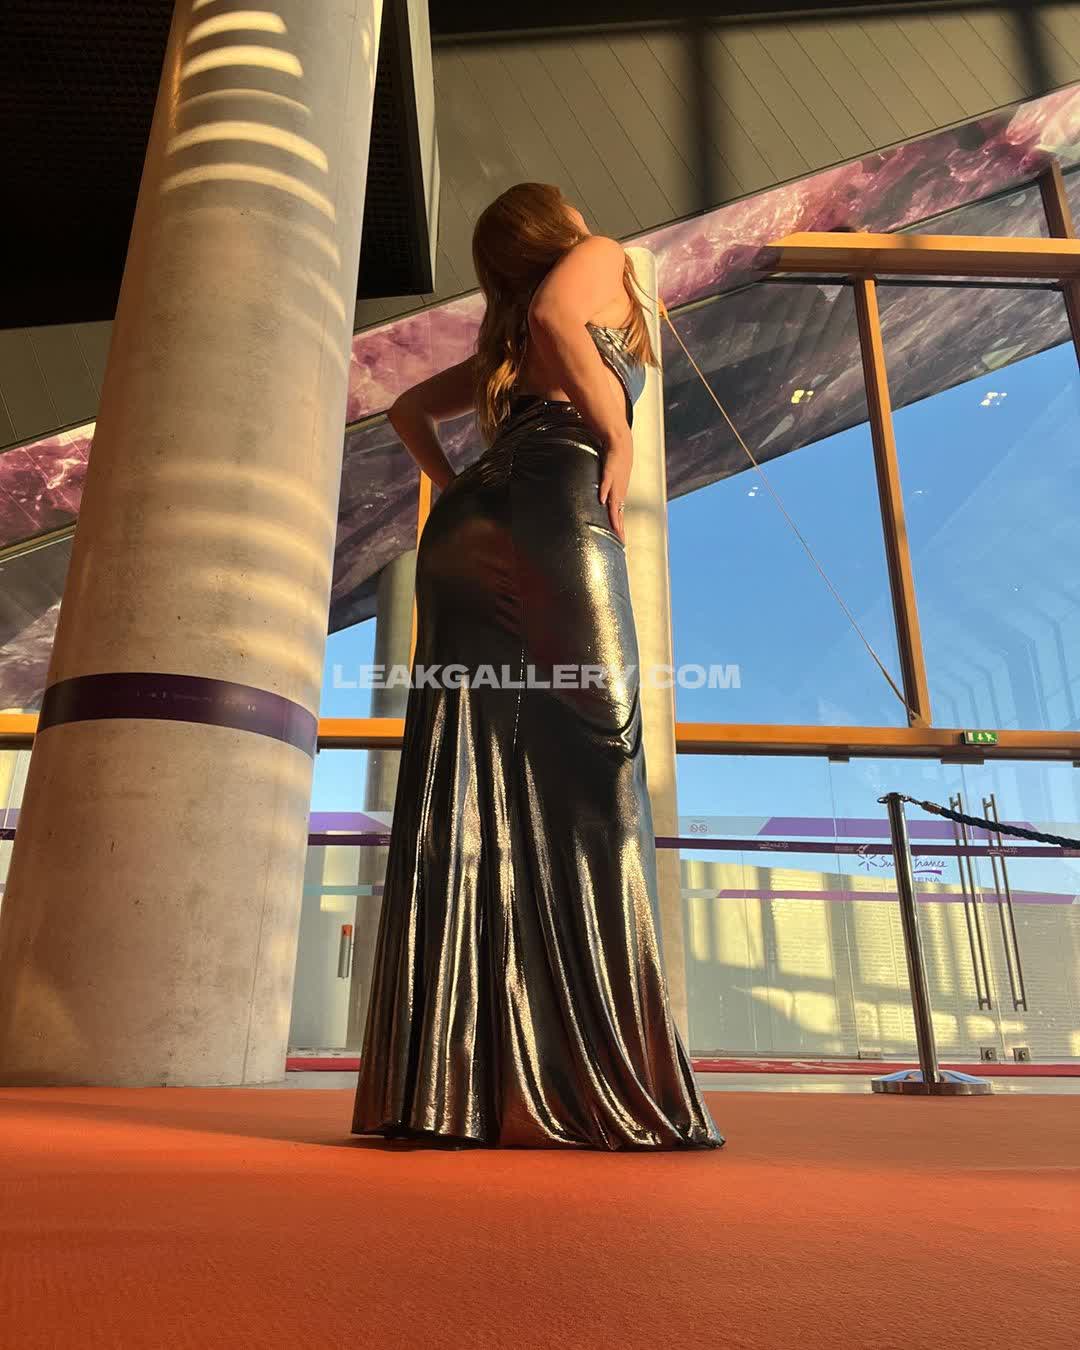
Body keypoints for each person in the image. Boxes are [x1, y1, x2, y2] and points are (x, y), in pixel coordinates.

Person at [350, 182, 724, 1151]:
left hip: (469, 529)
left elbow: (404, 409)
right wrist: (620, 435)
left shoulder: (504, 341)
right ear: (554, 227)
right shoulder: (597, 258)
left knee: (470, 780)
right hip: (553, 503)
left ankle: (452, 1092)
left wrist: (454, 485)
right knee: (597, 763)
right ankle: (600, 1083)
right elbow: (564, 315)